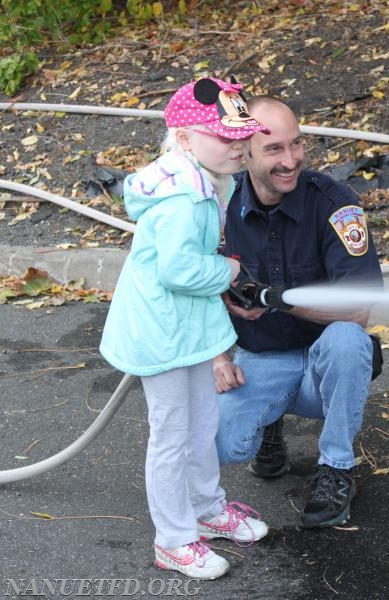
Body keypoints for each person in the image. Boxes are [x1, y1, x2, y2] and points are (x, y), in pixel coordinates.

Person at [99, 77, 271, 580]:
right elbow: (179, 271)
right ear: (185, 139)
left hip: (188, 326)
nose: (238, 145)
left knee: (202, 423)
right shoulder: (182, 199)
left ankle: (206, 508)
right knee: (173, 435)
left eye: (242, 136)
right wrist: (230, 272)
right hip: (162, 331)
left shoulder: (212, 179)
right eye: (225, 136)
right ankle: (173, 539)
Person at [213, 96, 384, 529]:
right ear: (243, 153)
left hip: (323, 369)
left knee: (350, 338)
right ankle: (269, 425)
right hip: (260, 362)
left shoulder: (335, 204)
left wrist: (276, 297)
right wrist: (217, 356)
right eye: (274, 149)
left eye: (296, 145)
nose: (290, 160)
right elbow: (191, 286)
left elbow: (359, 308)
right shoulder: (216, 207)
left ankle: (337, 468)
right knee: (221, 442)